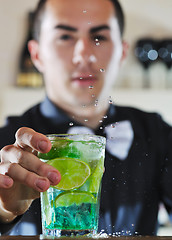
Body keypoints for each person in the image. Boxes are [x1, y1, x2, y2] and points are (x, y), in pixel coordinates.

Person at [0, 0, 172, 236]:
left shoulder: (158, 134)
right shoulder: (5, 144)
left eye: (99, 36)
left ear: (121, 53)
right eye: (65, 37)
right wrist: (3, 212)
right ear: (37, 55)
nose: (84, 54)